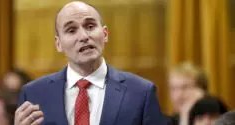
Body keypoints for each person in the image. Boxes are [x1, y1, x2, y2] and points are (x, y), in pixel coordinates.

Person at [15, 1, 166, 125]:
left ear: (105, 34)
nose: (84, 36)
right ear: (58, 43)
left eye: (90, 26)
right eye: (71, 30)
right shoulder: (34, 94)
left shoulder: (141, 93)